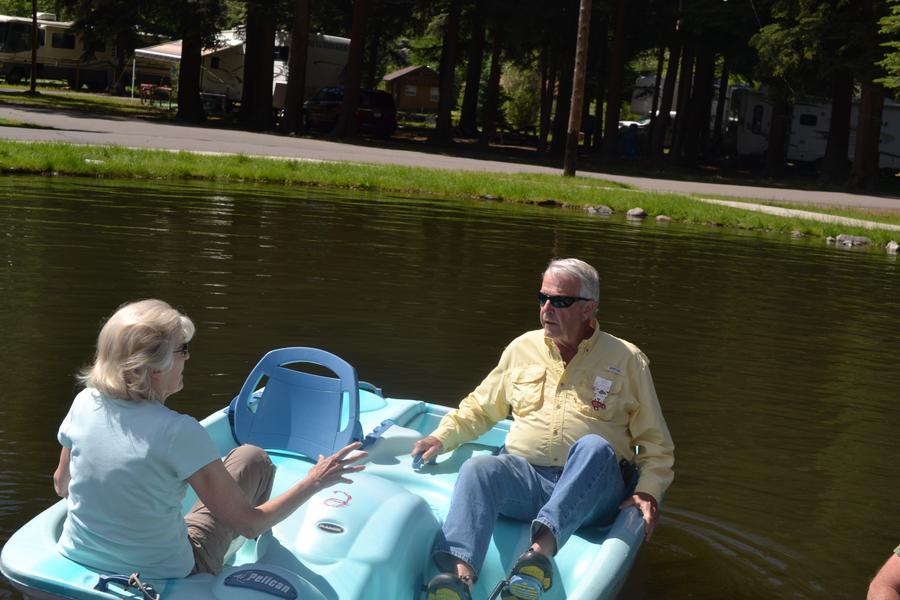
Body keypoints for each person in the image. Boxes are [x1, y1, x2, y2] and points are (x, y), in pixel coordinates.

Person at [412, 258, 675, 600]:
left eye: (560, 301)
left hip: (593, 490)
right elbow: (481, 406)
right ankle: (458, 582)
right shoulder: (521, 348)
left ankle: (537, 559)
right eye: (542, 298)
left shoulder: (627, 359)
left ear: (589, 308)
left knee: (594, 446)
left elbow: (656, 445)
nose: (547, 308)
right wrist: (441, 436)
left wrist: (648, 491)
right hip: (527, 480)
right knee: (480, 467)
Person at [52, 299, 366, 578]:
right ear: (154, 368)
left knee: (241, 459)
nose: (187, 358)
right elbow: (249, 524)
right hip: (164, 570)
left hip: (77, 554)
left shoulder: (85, 401)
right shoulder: (179, 431)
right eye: (182, 349)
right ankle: (244, 559)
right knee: (252, 458)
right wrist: (315, 481)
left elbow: (62, 484)